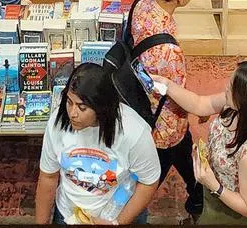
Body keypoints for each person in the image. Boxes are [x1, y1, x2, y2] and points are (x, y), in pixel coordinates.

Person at [152, 60, 247, 221]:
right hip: (209, 190)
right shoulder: (233, 105)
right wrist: (167, 85)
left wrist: (213, 184)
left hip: (225, 210)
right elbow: (199, 104)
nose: (226, 87)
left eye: (232, 86)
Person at [35, 62, 161, 224]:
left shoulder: (134, 131)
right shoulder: (58, 123)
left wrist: (117, 223)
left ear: (101, 107)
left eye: (82, 107)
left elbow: (149, 182)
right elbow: (48, 177)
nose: (72, 113)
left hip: (116, 214)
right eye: (69, 102)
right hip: (68, 214)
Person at [129, 0, 203, 224]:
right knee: (149, 182)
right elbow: (177, 96)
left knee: (187, 160)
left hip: (142, 107)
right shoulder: (169, 51)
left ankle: (197, 199)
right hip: (165, 126)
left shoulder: (141, 5)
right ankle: (129, 215)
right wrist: (201, 109)